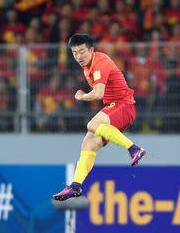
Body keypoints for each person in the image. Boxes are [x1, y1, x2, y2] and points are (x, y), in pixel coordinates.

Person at [52, 34, 146, 201]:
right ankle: (75, 186)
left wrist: (81, 96)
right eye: (74, 53)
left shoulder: (100, 63)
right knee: (88, 142)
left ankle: (134, 149)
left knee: (92, 124)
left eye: (82, 51)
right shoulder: (87, 66)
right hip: (114, 108)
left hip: (123, 106)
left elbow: (98, 93)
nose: (78, 56)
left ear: (91, 50)